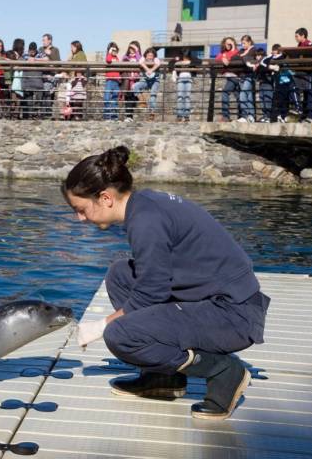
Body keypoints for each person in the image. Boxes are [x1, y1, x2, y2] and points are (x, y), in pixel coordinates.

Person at [64, 145, 270, 421]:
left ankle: (223, 371)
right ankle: (163, 379)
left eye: (81, 209)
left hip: (233, 315)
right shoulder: (144, 205)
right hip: (216, 302)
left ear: (105, 198)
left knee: (121, 335)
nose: (79, 218)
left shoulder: (146, 221)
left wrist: (102, 325)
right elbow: (152, 282)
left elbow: (151, 293)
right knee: (120, 275)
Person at [293, 27, 312, 123]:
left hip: (308, 72)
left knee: (310, 93)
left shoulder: (308, 44)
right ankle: (304, 115)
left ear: (303, 35)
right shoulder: (299, 45)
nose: (295, 38)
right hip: (301, 71)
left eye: (297, 36)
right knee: (305, 94)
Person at [132, 47, 161, 121]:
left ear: (154, 56)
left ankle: (152, 113)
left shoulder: (156, 59)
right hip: (145, 80)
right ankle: (142, 100)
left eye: (152, 56)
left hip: (155, 80)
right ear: (146, 55)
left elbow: (157, 63)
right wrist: (148, 69)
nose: (150, 57)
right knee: (135, 86)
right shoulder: (143, 59)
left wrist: (151, 70)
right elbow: (140, 62)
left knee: (152, 96)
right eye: (148, 55)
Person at [215, 37, 240, 122]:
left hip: (234, 76)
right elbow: (217, 59)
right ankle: (241, 116)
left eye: (230, 43)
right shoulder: (223, 53)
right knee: (238, 96)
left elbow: (235, 56)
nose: (228, 45)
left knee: (225, 93)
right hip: (229, 76)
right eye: (226, 43)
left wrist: (233, 48)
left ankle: (226, 116)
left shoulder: (237, 51)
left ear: (233, 43)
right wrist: (222, 58)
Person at [171, 49, 200, 122]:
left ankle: (186, 116)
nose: (185, 56)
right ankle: (179, 115)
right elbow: (171, 63)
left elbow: (199, 61)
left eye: (186, 55)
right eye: (184, 55)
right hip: (180, 78)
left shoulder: (192, 60)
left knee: (187, 97)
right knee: (180, 97)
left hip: (189, 79)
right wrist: (178, 60)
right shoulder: (178, 60)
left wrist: (189, 61)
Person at [38, 33, 61, 118]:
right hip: (41, 75)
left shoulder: (55, 50)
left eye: (44, 40)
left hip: (50, 76)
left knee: (48, 94)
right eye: (42, 40)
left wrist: (50, 54)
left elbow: (58, 63)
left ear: (50, 40)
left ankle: (47, 113)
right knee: (41, 94)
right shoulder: (40, 49)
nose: (43, 42)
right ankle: (42, 113)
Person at [21, 42, 45, 119]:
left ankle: (37, 115)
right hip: (27, 80)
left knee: (39, 98)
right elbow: (21, 59)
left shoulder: (39, 54)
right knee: (28, 99)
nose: (32, 52)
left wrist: (35, 59)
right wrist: (28, 60)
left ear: (36, 50)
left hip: (37, 80)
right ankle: (27, 115)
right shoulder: (25, 54)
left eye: (33, 51)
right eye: (30, 51)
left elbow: (47, 59)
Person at [237, 35, 256, 122]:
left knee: (243, 95)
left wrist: (243, 56)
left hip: (249, 75)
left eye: (244, 43)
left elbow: (250, 57)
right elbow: (237, 57)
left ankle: (245, 115)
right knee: (249, 97)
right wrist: (244, 55)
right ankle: (251, 116)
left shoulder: (253, 49)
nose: (242, 45)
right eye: (242, 43)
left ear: (249, 42)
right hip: (242, 76)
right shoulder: (241, 50)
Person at [121, 41, 142, 122]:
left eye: (134, 48)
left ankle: (131, 115)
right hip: (127, 81)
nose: (132, 49)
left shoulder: (139, 56)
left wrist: (137, 51)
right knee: (128, 97)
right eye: (131, 48)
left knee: (134, 98)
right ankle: (128, 116)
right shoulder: (125, 57)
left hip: (136, 80)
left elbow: (141, 61)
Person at [103, 42, 121, 120]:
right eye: (113, 49)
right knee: (107, 98)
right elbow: (108, 60)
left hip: (116, 81)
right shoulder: (108, 56)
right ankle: (107, 116)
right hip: (109, 80)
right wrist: (109, 52)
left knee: (115, 99)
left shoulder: (117, 58)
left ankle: (114, 116)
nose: (114, 51)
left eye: (115, 49)